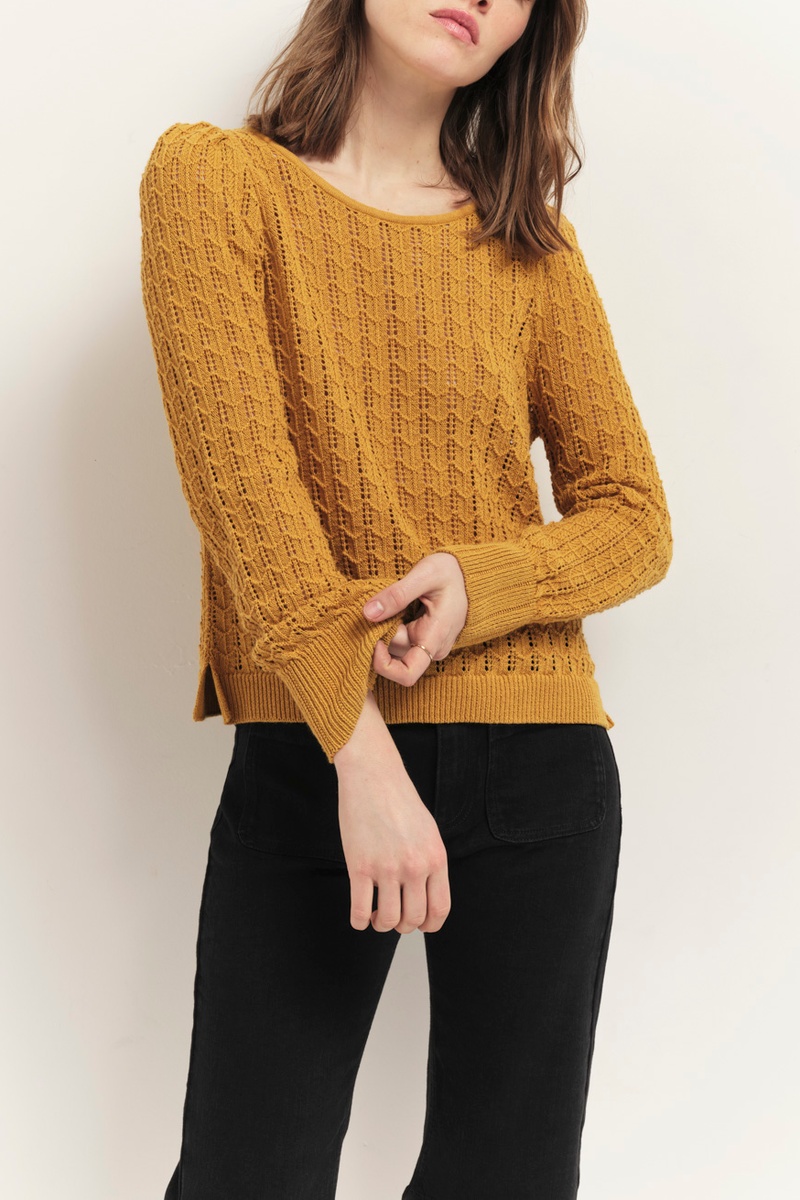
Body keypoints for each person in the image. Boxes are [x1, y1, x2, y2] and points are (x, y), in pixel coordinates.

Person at [138, 1, 673, 1196]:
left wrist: (484, 581)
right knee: (245, 1174)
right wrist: (359, 753)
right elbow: (242, 492)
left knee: (504, 1179)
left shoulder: (528, 247)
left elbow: (634, 516)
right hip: (315, 749)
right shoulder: (213, 181)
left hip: (537, 766)